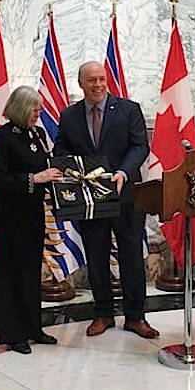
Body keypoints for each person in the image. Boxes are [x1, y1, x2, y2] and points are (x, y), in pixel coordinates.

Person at [54, 61, 158, 339]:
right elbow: (61, 149)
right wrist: (71, 170)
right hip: (90, 200)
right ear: (81, 84)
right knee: (96, 257)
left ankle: (136, 317)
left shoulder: (128, 109)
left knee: (131, 258)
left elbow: (140, 146)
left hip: (126, 197)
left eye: (101, 79)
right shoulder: (69, 116)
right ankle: (103, 314)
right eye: (91, 80)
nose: (98, 84)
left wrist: (124, 171)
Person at [0, 86, 62, 354]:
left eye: (40, 108)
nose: (38, 113)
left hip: (34, 212)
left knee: (30, 271)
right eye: (34, 108)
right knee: (12, 272)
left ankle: (33, 327)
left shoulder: (38, 134)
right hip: (11, 215)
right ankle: (13, 333)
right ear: (20, 108)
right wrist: (34, 179)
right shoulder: (3, 137)